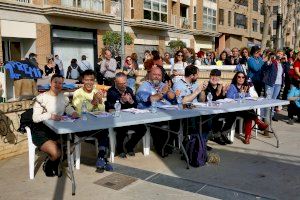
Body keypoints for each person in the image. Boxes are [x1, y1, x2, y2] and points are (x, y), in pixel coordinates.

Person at [32, 74, 79, 177]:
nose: (57, 85)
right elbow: (35, 118)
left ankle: (55, 161)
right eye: (55, 82)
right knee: (56, 153)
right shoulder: (41, 98)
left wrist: (73, 113)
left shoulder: (63, 97)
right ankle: (49, 164)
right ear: (50, 83)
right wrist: (50, 116)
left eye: (60, 83)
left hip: (58, 130)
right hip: (42, 131)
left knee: (70, 148)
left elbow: (68, 108)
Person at [72, 70, 112, 171]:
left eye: (91, 80)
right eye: (86, 80)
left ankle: (101, 157)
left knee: (104, 130)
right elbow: (80, 112)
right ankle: (103, 159)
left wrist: (99, 101)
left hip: (96, 126)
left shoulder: (96, 91)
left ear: (94, 81)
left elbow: (102, 110)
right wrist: (94, 101)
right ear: (83, 80)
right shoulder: (78, 93)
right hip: (82, 127)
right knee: (104, 133)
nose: (89, 82)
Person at [136, 67, 176, 156]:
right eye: (154, 74)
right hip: (149, 114)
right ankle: (160, 148)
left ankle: (168, 144)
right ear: (150, 75)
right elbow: (151, 99)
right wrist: (162, 93)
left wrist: (169, 89)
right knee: (157, 123)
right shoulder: (144, 86)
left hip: (164, 112)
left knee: (177, 121)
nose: (157, 77)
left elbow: (172, 97)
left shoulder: (163, 85)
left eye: (159, 75)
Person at [105, 72, 146, 158]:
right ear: (116, 82)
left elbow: (135, 105)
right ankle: (119, 148)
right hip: (117, 119)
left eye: (125, 83)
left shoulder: (129, 90)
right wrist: (122, 101)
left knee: (142, 129)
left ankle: (130, 145)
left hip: (130, 118)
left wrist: (131, 101)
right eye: (121, 83)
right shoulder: (111, 91)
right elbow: (110, 106)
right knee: (122, 129)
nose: (123, 85)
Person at [226, 72, 269, 144]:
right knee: (249, 113)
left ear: (244, 79)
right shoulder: (232, 86)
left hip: (244, 109)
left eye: (243, 77)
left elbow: (248, 98)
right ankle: (258, 123)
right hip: (234, 110)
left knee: (248, 115)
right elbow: (229, 97)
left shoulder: (245, 86)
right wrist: (240, 93)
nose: (241, 79)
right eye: (239, 77)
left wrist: (246, 94)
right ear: (236, 78)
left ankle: (247, 137)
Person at [201, 69, 231, 146]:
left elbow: (223, 100)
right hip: (208, 111)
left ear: (219, 78)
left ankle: (223, 133)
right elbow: (209, 100)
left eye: (217, 76)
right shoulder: (206, 86)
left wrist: (224, 92)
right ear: (209, 76)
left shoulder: (219, 85)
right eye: (213, 76)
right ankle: (216, 136)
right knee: (216, 116)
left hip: (219, 109)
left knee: (233, 113)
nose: (214, 78)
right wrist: (218, 92)